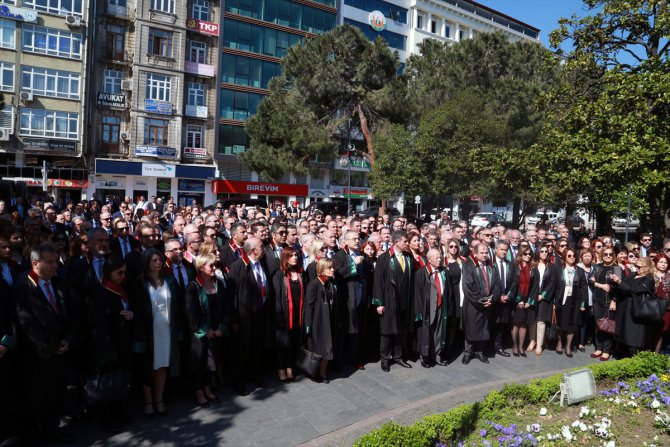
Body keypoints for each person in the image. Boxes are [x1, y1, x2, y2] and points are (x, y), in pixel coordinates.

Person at [14, 243, 76, 444]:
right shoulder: (23, 285)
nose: (54, 266)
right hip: (38, 353)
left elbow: (70, 314)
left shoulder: (58, 282)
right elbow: (26, 321)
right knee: (36, 396)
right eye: (49, 262)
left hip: (61, 349)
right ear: (35, 263)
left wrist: (68, 340)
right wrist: (50, 346)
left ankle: (52, 428)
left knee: (57, 393)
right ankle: (33, 435)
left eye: (55, 261)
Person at [86, 255, 134, 431]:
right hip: (107, 345)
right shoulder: (102, 292)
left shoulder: (121, 289)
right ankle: (107, 419)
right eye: (119, 273)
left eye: (124, 272)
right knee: (108, 382)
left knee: (120, 380)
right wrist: (121, 320)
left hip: (121, 342)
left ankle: (119, 413)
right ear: (108, 273)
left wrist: (131, 314)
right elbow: (100, 322)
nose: (123, 276)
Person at [131, 248, 180, 417]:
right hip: (149, 332)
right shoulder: (140, 283)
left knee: (162, 365)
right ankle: (148, 401)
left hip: (166, 330)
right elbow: (136, 309)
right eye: (154, 260)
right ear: (146, 263)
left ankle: (159, 399)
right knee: (147, 366)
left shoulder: (169, 280)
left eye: (160, 259)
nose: (158, 263)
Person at [228, 237, 272, 393]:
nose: (265, 249)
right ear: (253, 250)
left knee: (256, 347)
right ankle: (237, 381)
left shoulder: (262, 263)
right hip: (243, 317)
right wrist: (234, 319)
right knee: (241, 350)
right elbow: (231, 295)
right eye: (261, 247)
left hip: (260, 314)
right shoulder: (238, 267)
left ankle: (255, 375)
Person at [184, 253, 226, 407]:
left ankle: (208, 389)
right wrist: (205, 330)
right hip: (200, 333)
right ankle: (199, 392)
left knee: (211, 362)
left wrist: (221, 326)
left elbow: (225, 308)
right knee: (199, 362)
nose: (214, 268)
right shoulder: (193, 287)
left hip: (216, 331)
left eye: (215, 264)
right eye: (211, 265)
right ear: (201, 268)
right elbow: (191, 312)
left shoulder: (218, 284)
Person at [372, 230, 415, 372]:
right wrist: (379, 303)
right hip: (390, 300)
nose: (407, 243)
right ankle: (385, 358)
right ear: (397, 242)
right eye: (405, 241)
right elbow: (378, 281)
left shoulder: (408, 257)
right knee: (387, 330)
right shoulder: (384, 258)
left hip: (405, 300)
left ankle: (398, 356)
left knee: (400, 330)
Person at [461, 242, 500, 364]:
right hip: (474, 304)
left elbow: (497, 285)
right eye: (481, 253)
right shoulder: (469, 266)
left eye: (486, 252)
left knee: (484, 329)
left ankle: (480, 352)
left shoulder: (491, 266)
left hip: (488, 304)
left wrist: (492, 299)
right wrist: (481, 301)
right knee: (472, 329)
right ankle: (468, 353)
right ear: (475, 253)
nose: (484, 255)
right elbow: (468, 287)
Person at [333, 231, 368, 370]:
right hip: (346, 300)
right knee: (344, 332)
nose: (357, 241)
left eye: (358, 238)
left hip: (360, 298)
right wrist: (353, 263)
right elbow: (338, 274)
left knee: (357, 332)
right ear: (345, 241)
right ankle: (339, 362)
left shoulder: (361, 254)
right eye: (353, 239)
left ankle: (355, 359)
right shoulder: (339, 255)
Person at [610, 257, 656, 356]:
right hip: (624, 309)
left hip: (636, 311)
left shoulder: (649, 279)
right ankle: (623, 356)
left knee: (633, 337)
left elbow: (634, 290)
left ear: (647, 267)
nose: (636, 268)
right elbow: (622, 287)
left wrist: (620, 282)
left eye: (639, 267)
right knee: (623, 334)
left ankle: (635, 360)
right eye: (636, 266)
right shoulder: (632, 275)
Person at [271, 247, 304, 382]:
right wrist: (279, 317)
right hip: (284, 316)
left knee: (293, 343)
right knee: (282, 345)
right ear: (285, 258)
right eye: (291, 255)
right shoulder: (279, 275)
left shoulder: (301, 273)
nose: (295, 257)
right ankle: (281, 369)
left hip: (297, 314)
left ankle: (290, 368)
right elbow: (277, 298)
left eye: (296, 255)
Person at [304, 258, 338, 383]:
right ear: (321, 269)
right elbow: (309, 306)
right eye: (329, 268)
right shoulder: (314, 284)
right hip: (317, 322)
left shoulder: (330, 283)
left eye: (333, 267)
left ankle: (323, 371)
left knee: (327, 347)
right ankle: (315, 372)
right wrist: (308, 325)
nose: (333, 270)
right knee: (318, 349)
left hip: (329, 321)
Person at [414, 249, 450, 367]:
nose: (440, 260)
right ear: (429, 260)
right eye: (437, 258)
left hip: (441, 307)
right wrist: (419, 312)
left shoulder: (443, 271)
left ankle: (437, 356)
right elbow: (417, 294)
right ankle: (425, 357)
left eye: (440, 257)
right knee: (426, 334)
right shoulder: (421, 273)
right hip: (427, 309)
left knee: (438, 333)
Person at [589, 247, 622, 361]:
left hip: (609, 301)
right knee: (598, 324)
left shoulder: (617, 268)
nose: (608, 256)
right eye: (606, 254)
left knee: (607, 326)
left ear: (613, 256)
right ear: (602, 255)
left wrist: (614, 300)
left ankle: (606, 350)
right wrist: (600, 285)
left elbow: (619, 287)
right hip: (597, 300)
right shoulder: (597, 267)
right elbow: (590, 280)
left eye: (610, 254)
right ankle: (598, 348)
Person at [553, 248, 587, 358]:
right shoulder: (558, 270)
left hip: (575, 301)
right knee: (560, 323)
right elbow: (554, 287)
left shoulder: (580, 271)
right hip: (561, 300)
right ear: (564, 257)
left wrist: (583, 303)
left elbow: (583, 288)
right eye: (569, 256)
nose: (572, 257)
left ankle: (568, 346)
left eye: (573, 256)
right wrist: (553, 302)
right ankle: (559, 342)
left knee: (572, 324)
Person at [527, 242, 557, 356]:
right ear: (538, 252)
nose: (544, 253)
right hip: (532, 295)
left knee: (541, 321)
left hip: (545, 297)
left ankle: (539, 344)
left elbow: (552, 283)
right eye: (542, 251)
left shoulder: (552, 266)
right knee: (532, 320)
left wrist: (543, 295)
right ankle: (532, 341)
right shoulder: (532, 265)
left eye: (546, 251)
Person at [508, 246, 536, 356]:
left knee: (524, 324)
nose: (528, 256)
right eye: (525, 254)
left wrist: (530, 301)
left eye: (529, 254)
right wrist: (518, 300)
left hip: (527, 299)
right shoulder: (515, 266)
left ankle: (521, 346)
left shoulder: (533, 267)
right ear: (520, 255)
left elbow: (535, 286)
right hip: (516, 298)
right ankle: (514, 345)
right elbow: (513, 283)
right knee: (515, 324)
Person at [492, 240, 514, 357]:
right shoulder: (490, 264)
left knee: (501, 325)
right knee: (492, 324)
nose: (504, 252)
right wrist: (497, 297)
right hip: (494, 300)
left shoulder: (510, 264)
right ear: (496, 249)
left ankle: (498, 347)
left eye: (506, 250)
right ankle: (487, 348)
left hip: (506, 300)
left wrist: (508, 295)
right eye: (501, 249)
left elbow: (514, 282)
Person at [654, 253, 670, 353]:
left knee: (662, 332)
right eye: (661, 262)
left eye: (666, 262)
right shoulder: (651, 275)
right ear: (656, 263)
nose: (664, 264)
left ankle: (657, 356)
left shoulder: (669, 276)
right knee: (654, 332)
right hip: (653, 308)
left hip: (667, 308)